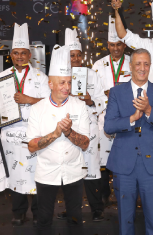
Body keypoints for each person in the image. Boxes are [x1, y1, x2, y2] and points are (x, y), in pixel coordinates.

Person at [0, 23, 51, 226]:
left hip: (35, 133)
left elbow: (52, 104)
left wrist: (29, 99)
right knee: (15, 173)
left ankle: (39, 212)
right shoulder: (1, 78)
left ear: (30, 55)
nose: (20, 56)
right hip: (11, 135)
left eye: (24, 53)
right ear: (11, 55)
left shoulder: (41, 78)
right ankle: (18, 211)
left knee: (36, 173)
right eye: (16, 53)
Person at [104, 48, 153, 235]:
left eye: (146, 64)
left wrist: (149, 110)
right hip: (124, 165)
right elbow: (108, 127)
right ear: (130, 66)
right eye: (138, 64)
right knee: (125, 220)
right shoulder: (116, 92)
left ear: (150, 66)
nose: (142, 68)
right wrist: (132, 118)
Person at [26, 45, 91, 235]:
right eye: (62, 82)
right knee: (44, 219)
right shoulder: (38, 109)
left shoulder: (79, 106)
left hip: (73, 171)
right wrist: (55, 134)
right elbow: (31, 146)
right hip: (46, 172)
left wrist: (69, 132)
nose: (67, 87)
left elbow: (86, 143)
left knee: (75, 217)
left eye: (69, 82)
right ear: (51, 84)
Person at [56, 28, 108, 222]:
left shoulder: (91, 74)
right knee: (69, 169)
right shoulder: (58, 77)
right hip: (67, 129)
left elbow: (103, 100)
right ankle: (71, 209)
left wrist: (90, 101)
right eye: (72, 56)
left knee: (92, 169)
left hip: (89, 128)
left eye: (78, 55)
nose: (75, 59)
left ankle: (97, 210)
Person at [92, 16, 132, 206]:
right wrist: (105, 94)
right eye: (112, 44)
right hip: (104, 118)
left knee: (125, 157)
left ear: (124, 45)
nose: (115, 48)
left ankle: (123, 191)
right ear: (107, 45)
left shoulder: (133, 63)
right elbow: (93, 93)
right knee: (104, 158)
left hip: (127, 117)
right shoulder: (98, 66)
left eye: (119, 44)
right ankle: (105, 192)